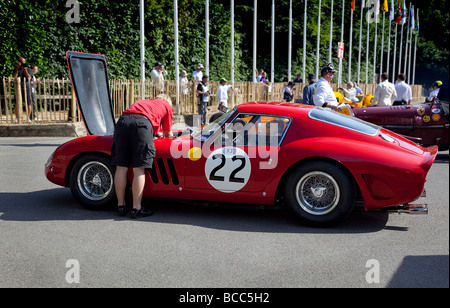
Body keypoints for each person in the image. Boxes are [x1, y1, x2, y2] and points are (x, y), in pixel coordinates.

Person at [112, 94, 174, 219]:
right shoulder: (166, 105)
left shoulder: (143, 102)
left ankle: (120, 206)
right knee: (139, 168)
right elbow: (168, 132)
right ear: (168, 101)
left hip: (122, 122)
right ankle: (136, 208)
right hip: (142, 124)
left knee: (121, 167)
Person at [12, 57, 34, 123]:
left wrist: (25, 70)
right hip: (18, 88)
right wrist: (17, 68)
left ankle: (27, 118)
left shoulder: (29, 69)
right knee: (17, 103)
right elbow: (14, 76)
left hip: (27, 87)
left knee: (28, 103)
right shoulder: (17, 69)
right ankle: (16, 117)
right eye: (21, 62)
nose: (23, 64)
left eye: (24, 62)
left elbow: (29, 77)